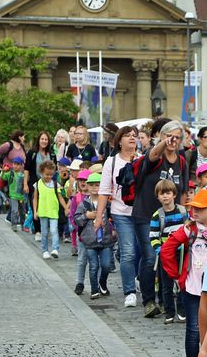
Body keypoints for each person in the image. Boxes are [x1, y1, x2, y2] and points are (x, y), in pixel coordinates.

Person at [161, 188, 207, 357]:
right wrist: (176, 275)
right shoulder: (189, 229)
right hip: (193, 287)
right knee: (193, 329)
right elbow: (167, 249)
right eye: (193, 208)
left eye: (200, 208)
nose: (194, 212)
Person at [132, 121, 190, 318]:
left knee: (172, 257)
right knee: (151, 256)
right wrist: (163, 143)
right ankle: (149, 301)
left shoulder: (182, 160)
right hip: (147, 214)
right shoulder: (156, 156)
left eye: (177, 137)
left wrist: (184, 217)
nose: (173, 140)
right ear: (162, 137)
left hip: (173, 218)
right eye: (169, 136)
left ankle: (166, 299)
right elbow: (153, 155)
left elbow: (182, 191)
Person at [96, 126, 142, 308]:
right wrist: (99, 217)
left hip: (142, 212)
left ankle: (141, 281)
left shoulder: (143, 159)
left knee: (147, 253)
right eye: (127, 135)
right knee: (129, 252)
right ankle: (129, 291)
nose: (132, 138)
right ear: (119, 140)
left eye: (134, 135)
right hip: (121, 212)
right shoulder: (111, 162)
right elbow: (104, 191)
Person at [152, 179, 188, 323]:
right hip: (166, 255)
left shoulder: (183, 212)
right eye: (162, 194)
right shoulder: (157, 215)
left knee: (181, 283)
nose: (165, 196)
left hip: (181, 253)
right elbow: (153, 237)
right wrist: (160, 251)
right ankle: (169, 312)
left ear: (174, 194)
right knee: (166, 285)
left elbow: (188, 229)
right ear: (158, 196)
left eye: (168, 193)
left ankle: (181, 310)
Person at [75, 172, 115, 299]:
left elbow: (113, 218)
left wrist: (114, 230)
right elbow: (77, 220)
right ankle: (94, 289)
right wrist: (86, 216)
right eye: (91, 185)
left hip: (105, 240)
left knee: (106, 265)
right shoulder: (84, 204)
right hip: (90, 241)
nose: (94, 188)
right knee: (93, 266)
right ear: (87, 186)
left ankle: (102, 283)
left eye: (97, 185)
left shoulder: (107, 204)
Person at [32, 160, 66, 259]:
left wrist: (65, 208)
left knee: (54, 231)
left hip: (53, 211)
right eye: (47, 174)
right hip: (42, 211)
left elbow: (60, 198)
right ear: (41, 172)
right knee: (44, 232)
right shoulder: (37, 184)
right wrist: (35, 211)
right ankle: (45, 250)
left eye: (51, 175)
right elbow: (35, 198)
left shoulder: (56, 184)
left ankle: (55, 249)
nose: (49, 177)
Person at [1, 157, 27, 231]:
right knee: (14, 210)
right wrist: (3, 171)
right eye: (14, 164)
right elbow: (4, 178)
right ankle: (14, 225)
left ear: (22, 165)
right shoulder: (11, 173)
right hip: (13, 196)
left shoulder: (24, 174)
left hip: (22, 196)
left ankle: (23, 224)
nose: (15, 166)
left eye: (17, 164)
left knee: (22, 211)